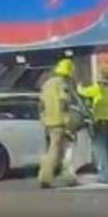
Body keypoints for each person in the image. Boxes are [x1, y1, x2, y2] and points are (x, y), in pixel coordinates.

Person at [38, 58, 84, 189]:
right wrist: (68, 120)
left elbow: (41, 105)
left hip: (49, 123)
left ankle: (45, 176)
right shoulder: (63, 84)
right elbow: (64, 102)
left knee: (51, 149)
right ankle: (67, 178)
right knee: (66, 150)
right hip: (61, 122)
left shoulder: (46, 84)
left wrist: (43, 119)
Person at [78, 68, 108, 183]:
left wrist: (79, 85)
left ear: (100, 76)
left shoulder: (98, 88)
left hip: (100, 121)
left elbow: (83, 92)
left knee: (100, 150)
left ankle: (105, 176)